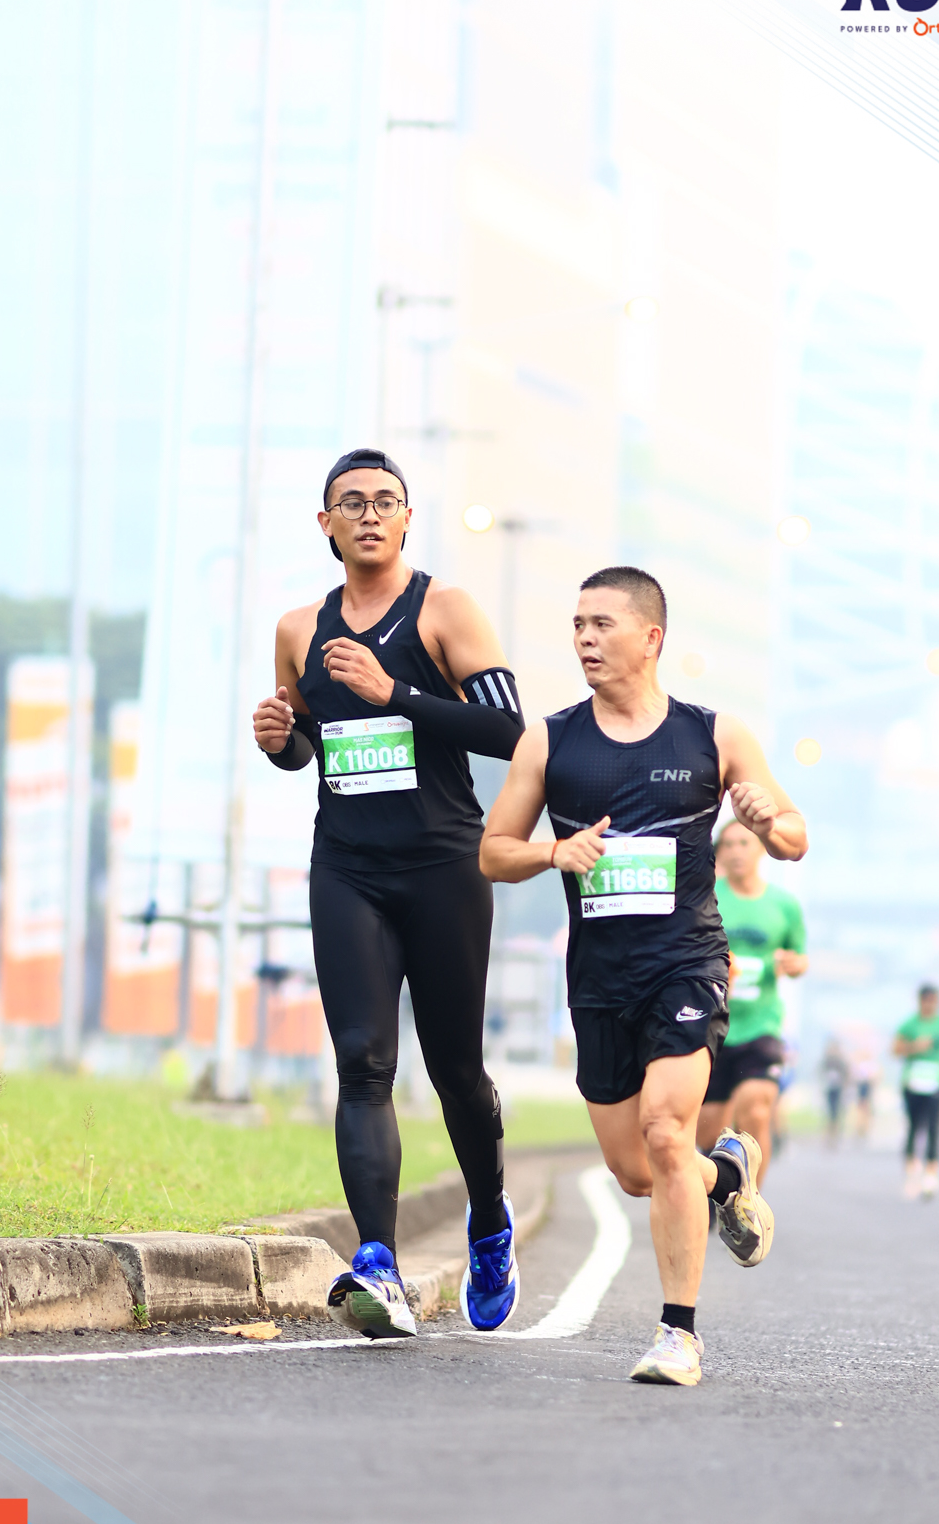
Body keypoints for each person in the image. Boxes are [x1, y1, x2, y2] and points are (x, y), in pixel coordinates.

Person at [479, 566, 808, 1387]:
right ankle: (727, 1172)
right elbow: (493, 852)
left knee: (666, 1131)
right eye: (578, 625)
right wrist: (554, 851)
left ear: (651, 637)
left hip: (686, 964)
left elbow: (795, 836)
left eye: (602, 625)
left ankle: (678, 1335)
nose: (585, 640)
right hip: (599, 980)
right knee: (636, 1172)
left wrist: (768, 822)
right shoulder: (550, 742)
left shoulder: (713, 736)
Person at [251, 448, 526, 1337]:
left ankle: (490, 1220)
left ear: (408, 519)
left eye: (385, 501)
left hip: (444, 868)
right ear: (325, 524)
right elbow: (309, 746)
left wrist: (395, 690)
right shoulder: (299, 629)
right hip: (348, 869)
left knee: (455, 1074)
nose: (369, 514)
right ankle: (378, 1261)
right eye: (352, 503)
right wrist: (282, 741)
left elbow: (509, 731)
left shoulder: (445, 610)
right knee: (363, 1061)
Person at [697, 819, 807, 1186]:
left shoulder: (784, 904)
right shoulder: (705, 897)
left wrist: (794, 964)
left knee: (756, 1111)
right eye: (727, 845)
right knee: (707, 1134)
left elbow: (800, 957)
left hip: (762, 1025)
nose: (735, 852)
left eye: (744, 843)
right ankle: (717, 1193)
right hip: (712, 1025)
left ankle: (750, 1200)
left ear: (761, 847)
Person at [892, 985, 939, 1199]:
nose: (929, 1005)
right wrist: (915, 1047)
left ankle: (931, 1173)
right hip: (913, 1081)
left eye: (933, 1001)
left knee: (935, 1128)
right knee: (914, 1127)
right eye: (926, 1000)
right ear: (920, 1001)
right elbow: (895, 1050)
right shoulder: (909, 1024)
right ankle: (911, 1171)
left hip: (936, 1082)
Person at [819, 1037, 851, 1148]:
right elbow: (821, 1072)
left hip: (838, 1089)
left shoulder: (841, 1061)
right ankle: (829, 1135)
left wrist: (845, 1085)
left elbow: (846, 1074)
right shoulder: (827, 1060)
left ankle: (836, 1135)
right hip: (829, 1088)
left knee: (836, 1113)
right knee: (830, 1112)